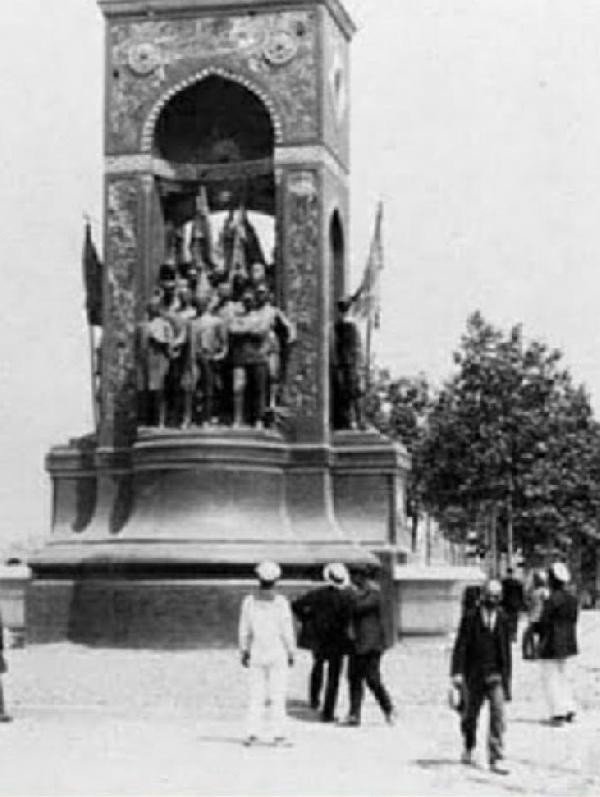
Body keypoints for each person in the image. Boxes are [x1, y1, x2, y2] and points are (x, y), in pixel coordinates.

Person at [450, 579, 512, 775]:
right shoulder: (470, 618)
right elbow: (460, 646)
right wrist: (457, 673)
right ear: (482, 596)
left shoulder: (503, 618)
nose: (492, 600)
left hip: (495, 675)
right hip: (473, 674)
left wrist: (507, 679)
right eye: (489, 595)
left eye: (496, 596)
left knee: (498, 715)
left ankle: (496, 757)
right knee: (470, 715)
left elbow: (506, 651)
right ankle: (469, 745)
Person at [238, 561, 296, 747]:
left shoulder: (249, 602)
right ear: (277, 580)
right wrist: (291, 651)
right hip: (277, 650)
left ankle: (252, 733)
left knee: (256, 695)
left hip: (257, 650)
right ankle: (278, 735)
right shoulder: (281, 602)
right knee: (277, 695)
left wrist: (244, 650)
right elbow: (287, 630)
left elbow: (244, 629)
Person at [292, 563, 354, 723]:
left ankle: (314, 699)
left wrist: (307, 618)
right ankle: (328, 711)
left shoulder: (318, 594)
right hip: (339, 638)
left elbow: (296, 605)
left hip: (320, 636)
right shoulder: (348, 597)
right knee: (334, 675)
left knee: (317, 666)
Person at [343, 562, 396, 727]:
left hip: (371, 644)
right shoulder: (359, 593)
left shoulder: (373, 593)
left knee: (373, 679)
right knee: (354, 678)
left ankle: (388, 708)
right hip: (356, 642)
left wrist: (349, 594)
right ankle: (354, 714)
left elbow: (359, 607)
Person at [533, 562, 578, 726]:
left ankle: (557, 712)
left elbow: (544, 621)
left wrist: (535, 628)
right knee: (565, 677)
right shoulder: (572, 599)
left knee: (550, 677)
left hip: (551, 641)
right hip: (568, 641)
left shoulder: (551, 599)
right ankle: (569, 708)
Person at [332, 299, 365, 430]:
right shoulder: (344, 326)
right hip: (346, 363)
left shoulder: (344, 326)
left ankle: (355, 420)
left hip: (347, 363)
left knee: (351, 393)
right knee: (349, 393)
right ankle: (353, 420)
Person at [501, 567, 525, 643]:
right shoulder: (518, 582)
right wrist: (521, 603)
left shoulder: (504, 582)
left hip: (507, 603)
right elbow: (521, 594)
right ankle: (514, 635)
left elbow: (503, 594)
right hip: (515, 604)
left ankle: (509, 634)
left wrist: (501, 603)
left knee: (507, 619)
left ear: (507, 573)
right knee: (514, 619)